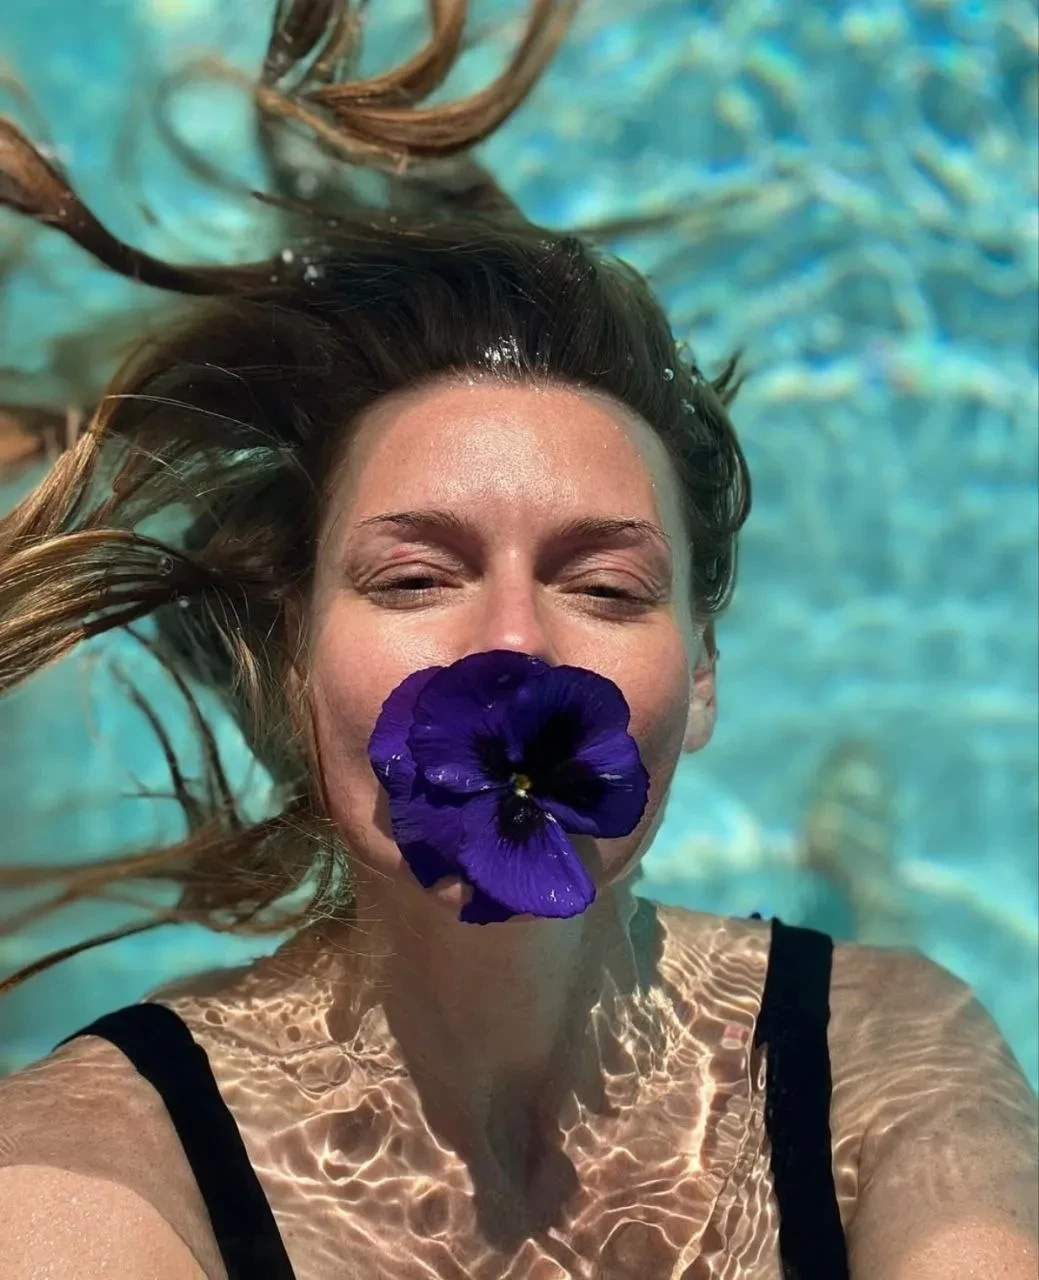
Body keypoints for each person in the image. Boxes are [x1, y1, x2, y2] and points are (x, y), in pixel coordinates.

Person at [0, 3, 1036, 1277]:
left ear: (703, 672)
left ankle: (845, 871)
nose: (511, 647)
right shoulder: (86, 1172)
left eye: (604, 586)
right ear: (295, 654)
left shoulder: (885, 1046)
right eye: (413, 576)